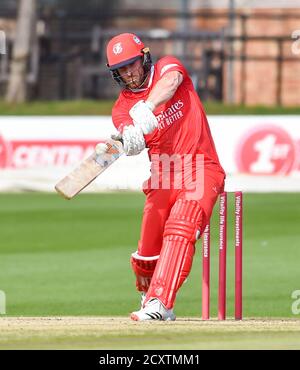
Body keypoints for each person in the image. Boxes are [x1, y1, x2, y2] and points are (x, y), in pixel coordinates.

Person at [105, 33, 225, 321]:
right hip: (162, 174)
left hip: (200, 165)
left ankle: (160, 304)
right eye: (121, 69)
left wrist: (147, 108)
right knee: (147, 254)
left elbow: (171, 84)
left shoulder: (168, 67)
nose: (129, 73)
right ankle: (148, 293)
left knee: (181, 228)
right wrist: (131, 138)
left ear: (144, 58)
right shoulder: (122, 108)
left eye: (132, 64)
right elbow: (129, 134)